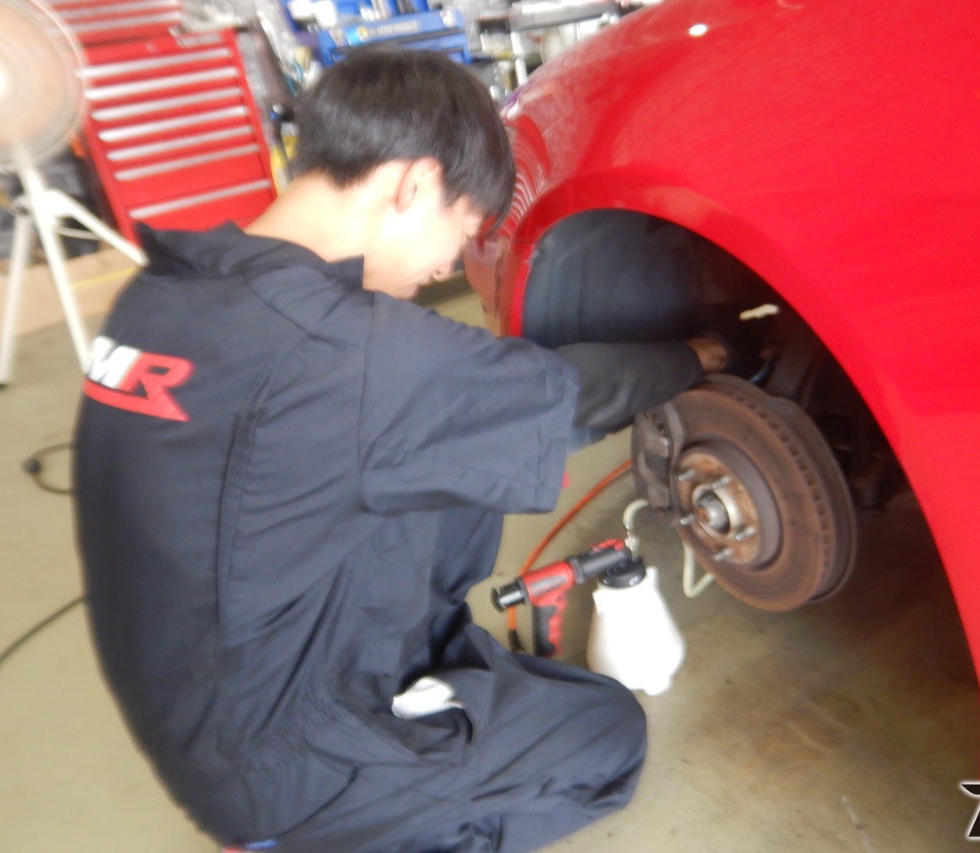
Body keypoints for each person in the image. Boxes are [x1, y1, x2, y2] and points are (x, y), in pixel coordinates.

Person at [73, 47, 724, 853]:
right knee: (607, 730)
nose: (449, 263)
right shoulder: (347, 352)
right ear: (413, 185)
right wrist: (701, 355)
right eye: (460, 230)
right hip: (284, 767)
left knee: (447, 463)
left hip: (198, 704)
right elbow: (567, 391)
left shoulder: (159, 291)